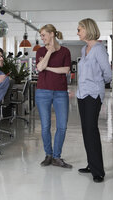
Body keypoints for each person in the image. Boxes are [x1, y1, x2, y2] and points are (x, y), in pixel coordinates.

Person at [76, 18, 112, 183]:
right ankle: (91, 164)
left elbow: (108, 74)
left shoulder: (99, 49)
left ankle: (98, 171)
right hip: (81, 95)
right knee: (86, 130)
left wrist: (97, 85)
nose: (78, 32)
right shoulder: (84, 49)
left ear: (88, 29)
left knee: (91, 129)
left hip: (93, 95)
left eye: (79, 29)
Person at [35, 24, 72, 168]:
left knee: (62, 126)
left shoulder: (65, 51)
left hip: (60, 92)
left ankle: (57, 157)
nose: (42, 38)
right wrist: (49, 52)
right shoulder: (40, 51)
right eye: (41, 36)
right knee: (45, 126)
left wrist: (47, 67)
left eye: (44, 35)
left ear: (52, 34)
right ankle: (48, 155)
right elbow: (39, 68)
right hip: (42, 92)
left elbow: (66, 70)